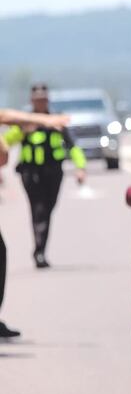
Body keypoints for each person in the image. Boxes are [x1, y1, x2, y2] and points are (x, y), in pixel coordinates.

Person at [0, 107, 69, 337]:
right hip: (32, 174)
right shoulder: (34, 123)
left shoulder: (54, 128)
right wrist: (41, 121)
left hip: (52, 173)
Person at [2, 84, 86, 268]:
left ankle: (40, 248)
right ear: (32, 101)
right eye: (37, 99)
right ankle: (39, 252)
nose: (40, 102)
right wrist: (22, 131)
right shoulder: (24, 123)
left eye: (43, 99)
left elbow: (72, 146)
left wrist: (81, 168)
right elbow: (5, 142)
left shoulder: (56, 122)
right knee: (38, 210)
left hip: (53, 172)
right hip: (31, 173)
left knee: (48, 209)